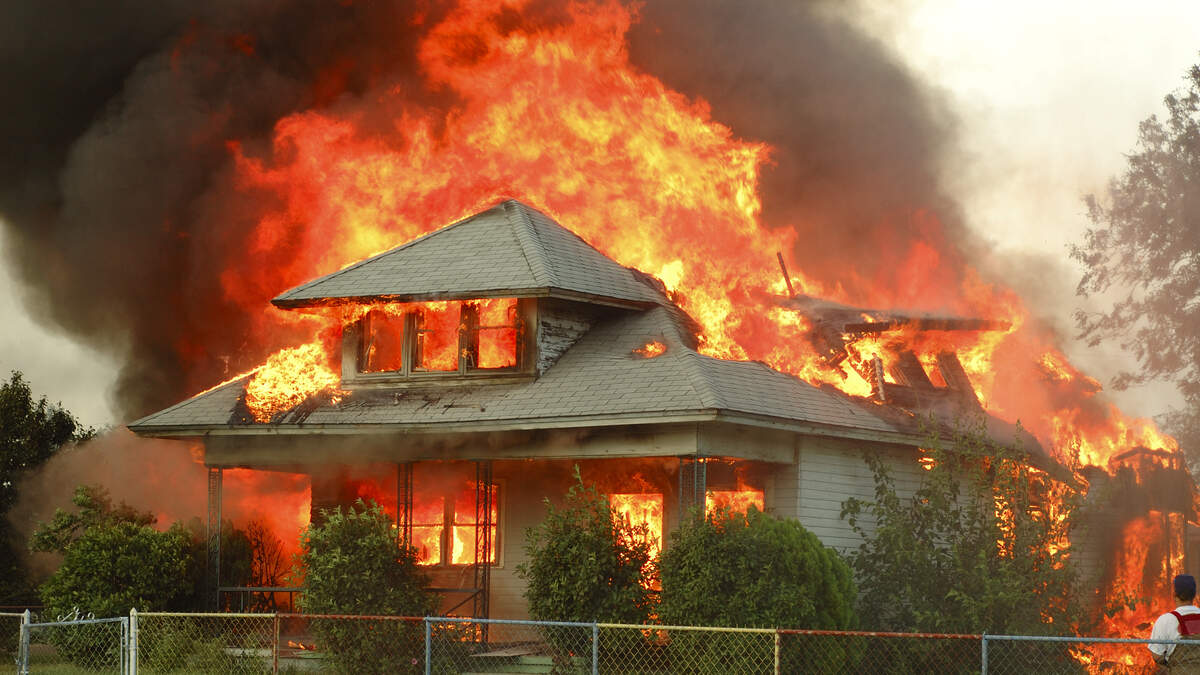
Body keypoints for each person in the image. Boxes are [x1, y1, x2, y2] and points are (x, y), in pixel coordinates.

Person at [1150, 574, 1200, 671]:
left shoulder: (1165, 620)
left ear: (1174, 594)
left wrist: (1168, 664)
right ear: (1194, 594)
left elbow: (1156, 656)